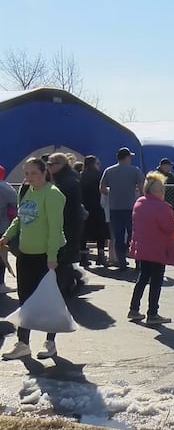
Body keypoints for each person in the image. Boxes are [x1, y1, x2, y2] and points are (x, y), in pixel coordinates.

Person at [0, 158, 66, 360]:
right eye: (26, 174)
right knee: (25, 300)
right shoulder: (27, 190)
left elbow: (56, 228)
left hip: (46, 255)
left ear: (44, 172)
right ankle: (23, 343)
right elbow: (21, 217)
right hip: (25, 253)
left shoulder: (53, 195)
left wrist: (52, 256)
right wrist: (7, 236)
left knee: (49, 300)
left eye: (34, 173)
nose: (29, 178)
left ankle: (50, 342)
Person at [127, 172, 174, 325]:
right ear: (158, 190)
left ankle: (134, 308)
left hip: (142, 248)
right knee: (156, 282)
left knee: (142, 279)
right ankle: (153, 313)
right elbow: (170, 226)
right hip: (158, 249)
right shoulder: (162, 207)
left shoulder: (139, 203)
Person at [100, 147, 145, 271]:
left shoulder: (109, 171)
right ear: (126, 157)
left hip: (115, 208)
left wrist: (111, 191)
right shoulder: (135, 171)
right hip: (132, 207)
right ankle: (138, 262)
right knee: (134, 235)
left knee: (118, 236)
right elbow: (142, 188)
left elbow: (102, 188)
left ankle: (122, 262)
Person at [46, 153, 84, 296]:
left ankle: (68, 284)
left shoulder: (66, 181)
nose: (48, 167)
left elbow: (66, 206)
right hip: (70, 223)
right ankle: (71, 280)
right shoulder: (66, 178)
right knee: (63, 257)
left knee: (63, 256)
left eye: (51, 164)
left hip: (68, 223)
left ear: (60, 164)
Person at [80, 156, 109, 267]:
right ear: (93, 164)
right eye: (97, 163)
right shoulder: (99, 175)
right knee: (100, 233)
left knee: (83, 233)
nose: (99, 165)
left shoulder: (80, 176)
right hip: (98, 206)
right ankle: (100, 256)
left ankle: (83, 257)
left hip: (84, 207)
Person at [0, 165, 17, 294]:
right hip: (2, 225)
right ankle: (0, 284)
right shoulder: (4, 187)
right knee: (1, 256)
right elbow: (16, 202)